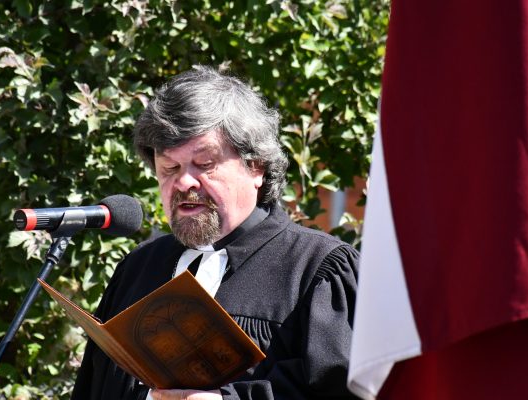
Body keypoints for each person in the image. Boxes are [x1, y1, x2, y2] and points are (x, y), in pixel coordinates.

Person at [71, 66, 360, 400]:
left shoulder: (318, 271)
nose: (184, 182)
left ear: (256, 167)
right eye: (170, 168)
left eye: (205, 164)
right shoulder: (138, 269)